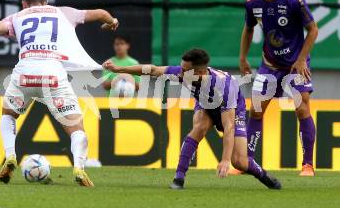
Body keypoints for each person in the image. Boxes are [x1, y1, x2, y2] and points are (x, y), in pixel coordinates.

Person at [0, 0, 119, 186]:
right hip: (53, 74)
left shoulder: (17, 17)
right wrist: (111, 22)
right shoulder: (64, 13)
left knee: (8, 115)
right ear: (46, 0)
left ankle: (11, 155)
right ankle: (79, 167)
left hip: (24, 74)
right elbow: (101, 13)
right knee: (76, 127)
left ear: (24, 3)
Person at [103, 48, 281, 190]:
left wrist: (226, 160)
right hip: (205, 105)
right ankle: (179, 178)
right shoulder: (184, 74)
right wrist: (120, 69)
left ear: (200, 72)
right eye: (181, 68)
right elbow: (154, 70)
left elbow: (228, 127)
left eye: (185, 69)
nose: (181, 72)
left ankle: (263, 175)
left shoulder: (224, 87)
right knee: (199, 128)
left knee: (239, 162)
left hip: (233, 110)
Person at [240, 0, 318, 176]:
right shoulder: (252, 2)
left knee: (302, 109)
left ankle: (308, 164)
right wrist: (243, 59)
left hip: (295, 65)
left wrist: (302, 59)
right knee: (256, 110)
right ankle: (247, 161)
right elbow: (248, 30)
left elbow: (312, 30)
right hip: (269, 65)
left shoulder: (293, 0)